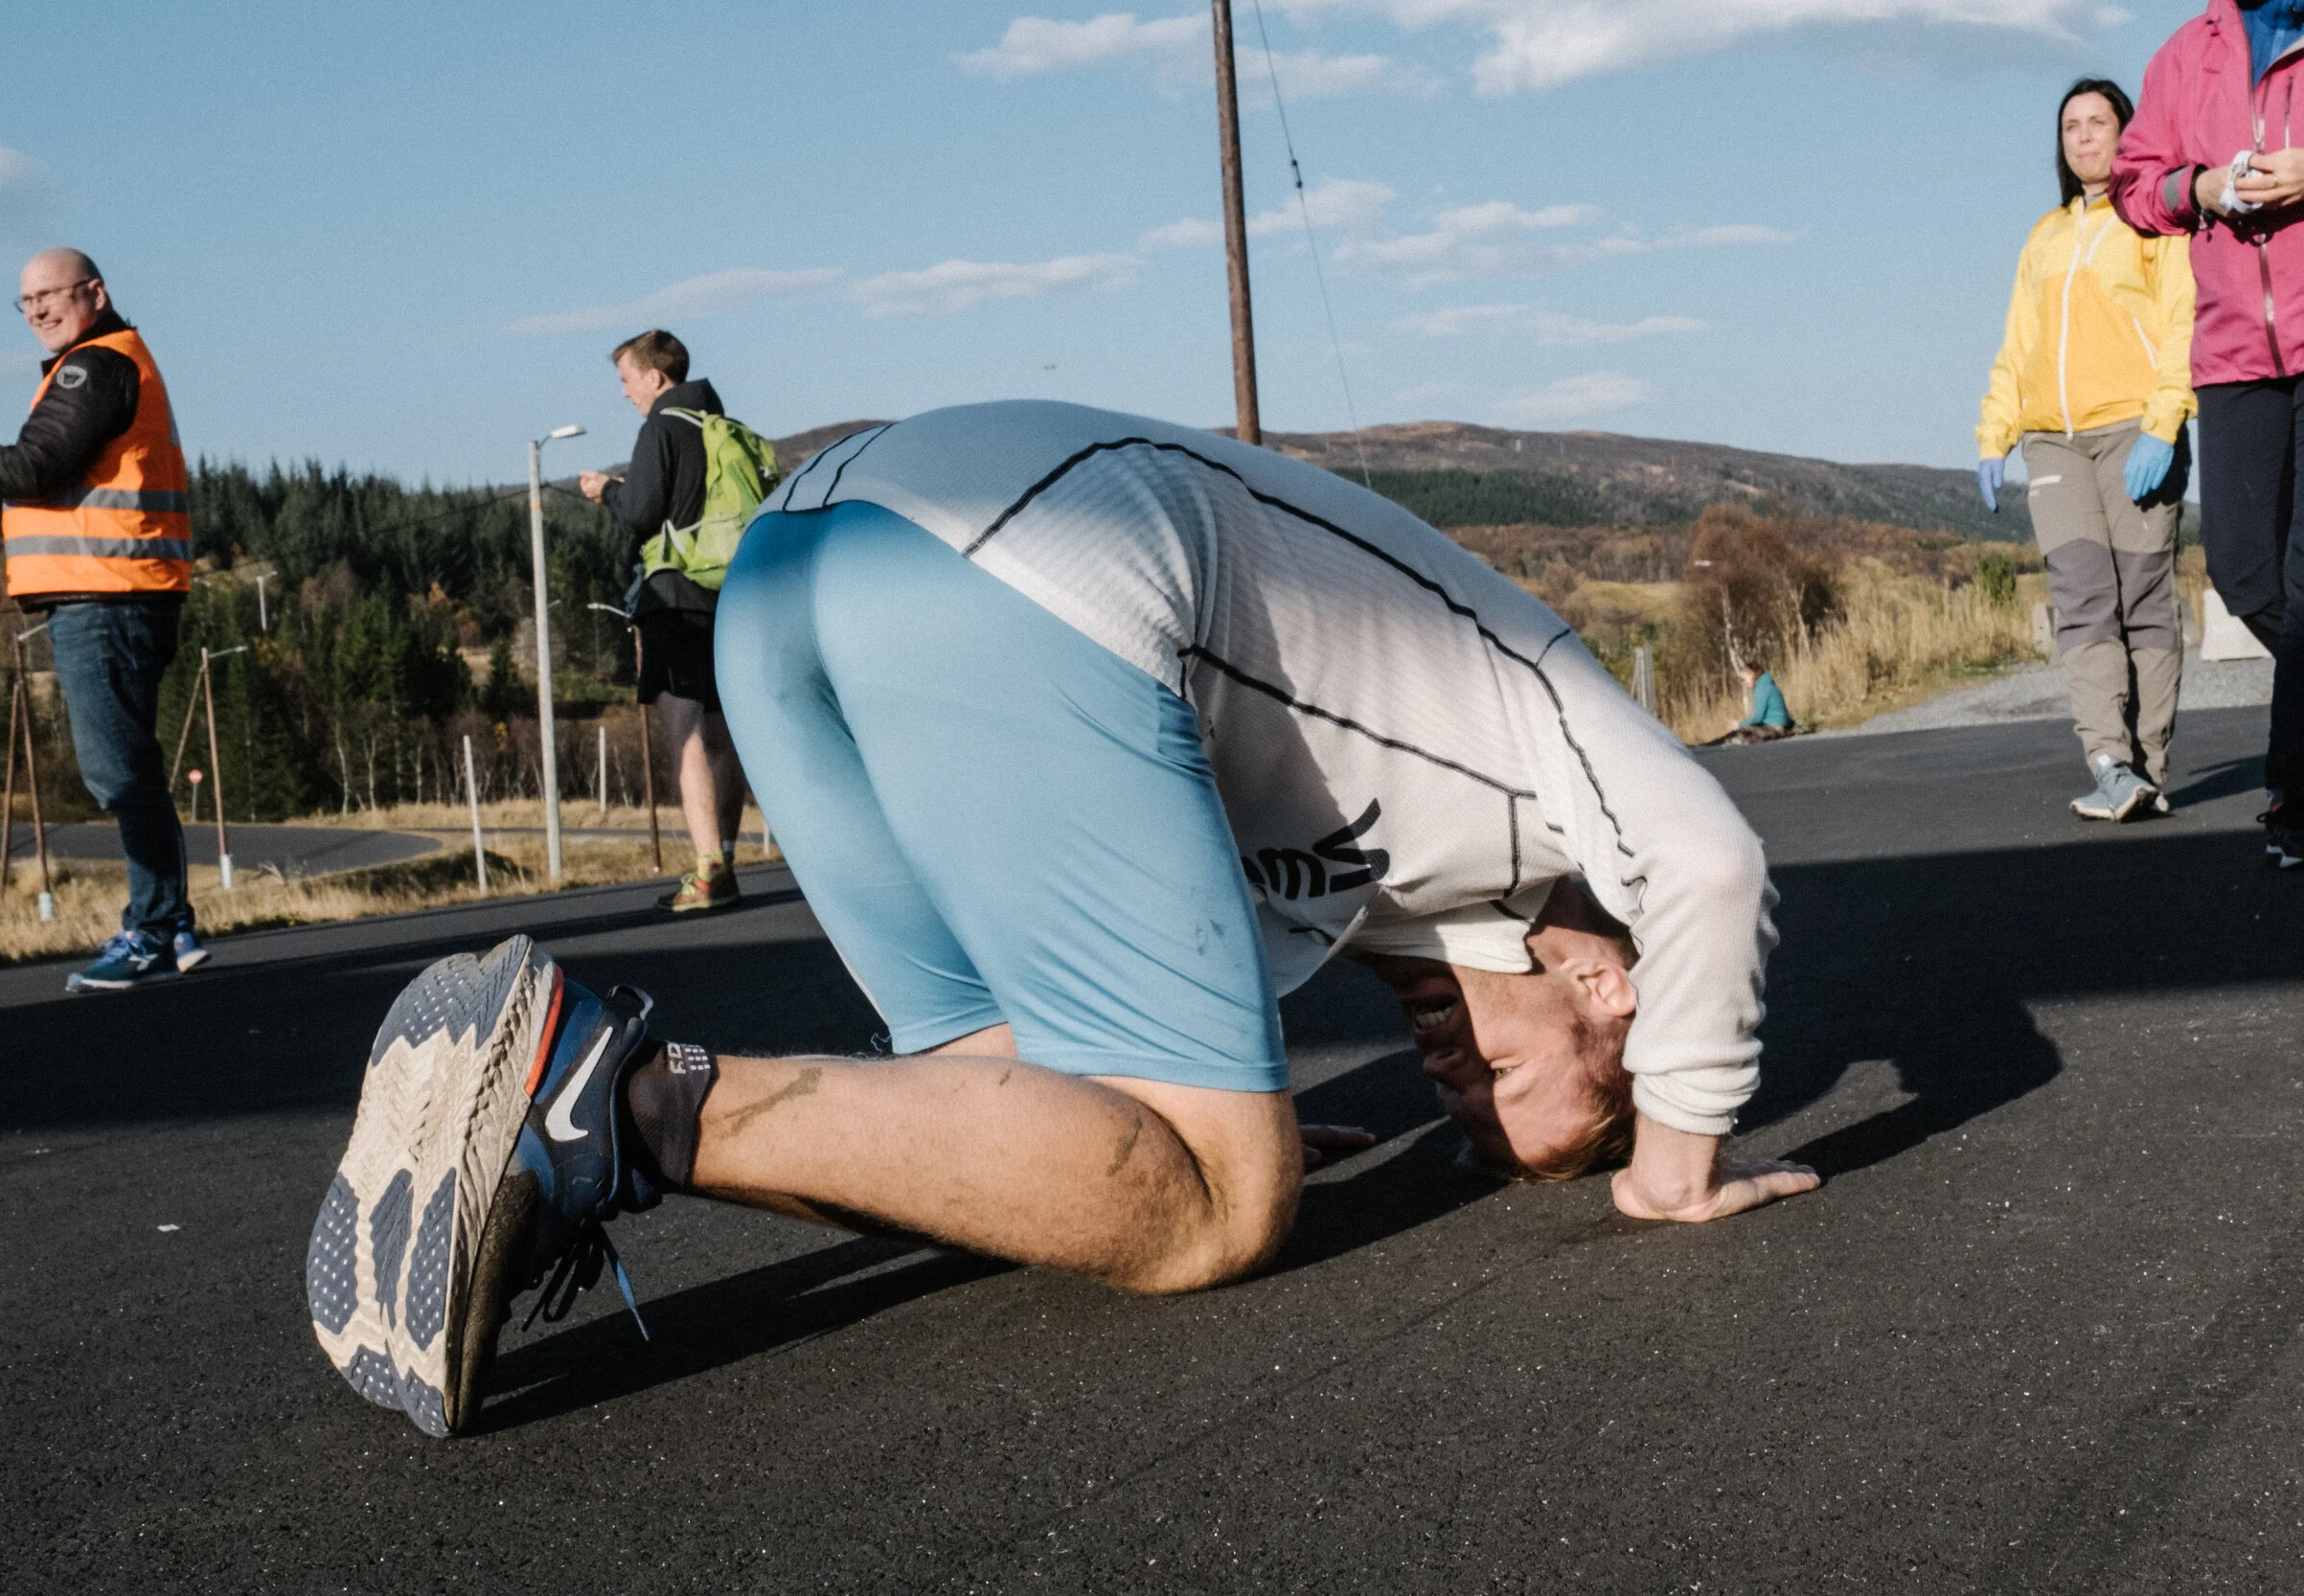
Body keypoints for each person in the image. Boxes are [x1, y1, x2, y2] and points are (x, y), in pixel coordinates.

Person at [308, 401, 1817, 1438]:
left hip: (798, 566)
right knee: (1222, 1205)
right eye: (1502, 1093)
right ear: (1609, 990)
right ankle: (609, 1096)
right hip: (1010, 560)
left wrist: (1190, 1093)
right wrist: (1675, 1161)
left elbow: (1137, 882)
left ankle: (539, 1142)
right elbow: (1713, 863)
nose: (1447, 1085)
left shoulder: (1421, 891)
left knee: (997, 1107)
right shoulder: (1553, 741)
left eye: (1454, 1109)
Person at [0, 248, 207, 988]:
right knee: (130, 764)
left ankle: (152, 931)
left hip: (108, 596)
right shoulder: (97, 367)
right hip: (119, 590)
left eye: (52, 294)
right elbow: (35, 494)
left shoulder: (93, 368)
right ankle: (171, 924)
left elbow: (30, 468)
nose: (39, 309)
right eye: (27, 301)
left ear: (95, 293)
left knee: (117, 770)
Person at [2114, 6, 2304, 860]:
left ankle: (2294, 793)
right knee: (2242, 568)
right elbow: (2133, 185)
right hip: (2231, 357)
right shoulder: (2188, 53)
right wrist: (2199, 188)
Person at [1981, 78, 2196, 825]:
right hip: (2054, 442)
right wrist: (1994, 432)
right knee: (2081, 600)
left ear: (2124, 134)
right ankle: (2108, 760)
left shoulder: (2156, 221)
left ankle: (2149, 765)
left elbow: (2181, 325)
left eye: (2097, 123)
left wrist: (2164, 424)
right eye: (2070, 126)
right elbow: (2019, 342)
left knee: (2143, 602)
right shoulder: (2044, 235)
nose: (2082, 137)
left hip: (2135, 431)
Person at [578, 330, 746, 911]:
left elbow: (643, 511)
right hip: (727, 593)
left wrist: (607, 491)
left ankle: (706, 872)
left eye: (626, 380)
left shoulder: (662, 428)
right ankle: (723, 853)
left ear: (654, 377)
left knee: (686, 733)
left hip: (673, 593)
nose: (624, 393)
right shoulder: (719, 426)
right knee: (722, 732)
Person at [1722, 659, 1794, 744]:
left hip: (1775, 728)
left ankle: (1741, 740)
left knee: (1742, 732)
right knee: (1745, 729)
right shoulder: (1767, 684)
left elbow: (1758, 717)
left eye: (1744, 679)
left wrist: (1739, 725)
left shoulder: (1762, 688)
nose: (1743, 683)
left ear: (1752, 674)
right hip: (1781, 726)